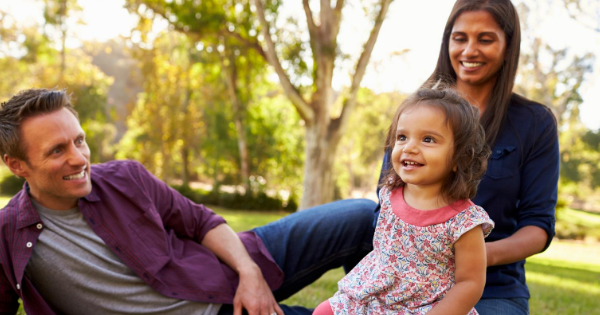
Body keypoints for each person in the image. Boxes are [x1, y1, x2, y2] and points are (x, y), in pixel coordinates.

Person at [0, 88, 376, 315]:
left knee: (361, 215)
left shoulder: (124, 178)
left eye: (79, 140)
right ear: (17, 165)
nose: (79, 158)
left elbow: (199, 222)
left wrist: (249, 273)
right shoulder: (7, 237)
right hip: (216, 310)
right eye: (57, 150)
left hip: (228, 263)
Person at [373, 1, 559, 314]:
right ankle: (259, 273)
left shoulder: (535, 122)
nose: (469, 50)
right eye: (460, 38)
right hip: (406, 278)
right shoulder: (415, 112)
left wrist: (473, 255)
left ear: (508, 46)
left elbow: (538, 226)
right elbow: (389, 193)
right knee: (347, 214)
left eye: (485, 39)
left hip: (493, 286)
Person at [314, 87, 494, 315]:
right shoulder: (390, 193)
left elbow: (470, 284)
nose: (409, 147)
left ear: (460, 157)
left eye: (428, 139)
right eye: (402, 137)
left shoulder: (465, 222)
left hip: (427, 307)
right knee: (324, 311)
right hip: (376, 296)